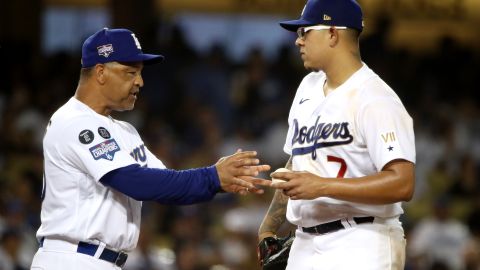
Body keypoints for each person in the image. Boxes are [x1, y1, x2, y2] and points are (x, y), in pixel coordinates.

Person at [30, 28, 271, 270]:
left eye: (140, 73)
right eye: (130, 72)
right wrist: (211, 176)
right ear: (101, 72)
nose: (140, 82)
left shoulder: (125, 131)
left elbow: (166, 185)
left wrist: (218, 182)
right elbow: (134, 182)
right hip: (70, 259)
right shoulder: (73, 120)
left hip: (103, 261)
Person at [258, 0, 416, 269]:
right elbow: (298, 163)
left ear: (333, 33)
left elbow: (402, 183)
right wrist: (267, 228)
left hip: (362, 239)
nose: (298, 40)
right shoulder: (307, 87)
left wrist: (321, 185)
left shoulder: (375, 98)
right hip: (305, 242)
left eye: (305, 31)